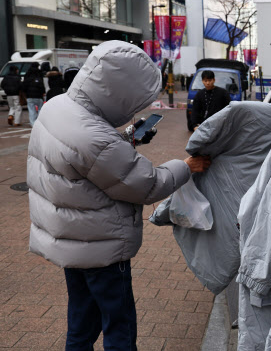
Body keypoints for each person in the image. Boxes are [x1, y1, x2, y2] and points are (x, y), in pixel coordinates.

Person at [27, 40, 211, 350]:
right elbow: (148, 184)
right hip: (102, 248)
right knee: (119, 327)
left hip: (72, 243)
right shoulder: (94, 137)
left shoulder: (58, 106)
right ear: (116, 90)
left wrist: (127, 137)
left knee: (81, 323)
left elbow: (89, 158)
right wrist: (187, 166)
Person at [22, 62, 45, 126]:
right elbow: (42, 85)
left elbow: (24, 86)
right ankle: (40, 122)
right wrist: (43, 92)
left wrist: (25, 93)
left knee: (31, 110)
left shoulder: (27, 74)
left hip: (29, 95)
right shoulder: (39, 73)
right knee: (40, 108)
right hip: (38, 95)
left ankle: (33, 123)